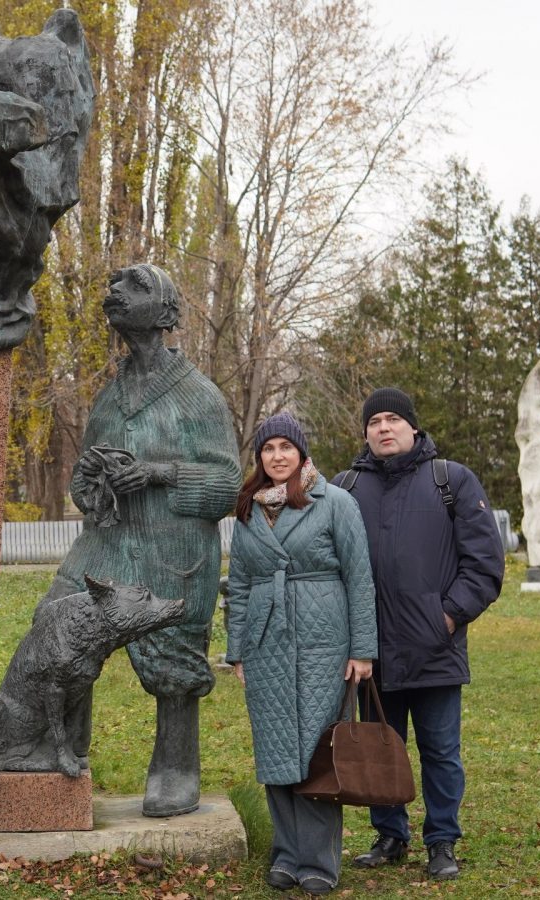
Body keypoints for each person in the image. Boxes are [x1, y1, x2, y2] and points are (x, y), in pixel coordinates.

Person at [46, 263, 242, 817]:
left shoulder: (198, 396)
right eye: (113, 285)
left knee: (173, 664)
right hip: (107, 542)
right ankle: (64, 755)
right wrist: (94, 482)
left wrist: (157, 473)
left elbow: (227, 485)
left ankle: (176, 769)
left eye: (134, 286)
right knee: (57, 622)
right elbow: (84, 478)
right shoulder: (110, 397)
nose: (115, 291)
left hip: (172, 549)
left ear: (166, 313)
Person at [332, 387, 504, 881]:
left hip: (434, 648)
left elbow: (484, 564)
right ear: (365, 433)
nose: (384, 428)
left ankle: (442, 840)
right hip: (372, 651)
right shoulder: (345, 489)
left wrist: (446, 617)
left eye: (392, 419)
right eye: (374, 422)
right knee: (380, 747)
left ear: (412, 426)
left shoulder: (451, 480)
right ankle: (390, 835)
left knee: (441, 753)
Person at [225, 412, 377, 896]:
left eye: (285, 447)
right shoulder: (248, 509)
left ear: (301, 452)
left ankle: (318, 862)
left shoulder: (336, 503)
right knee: (275, 749)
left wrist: (363, 650)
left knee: (316, 751)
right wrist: (237, 651)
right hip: (265, 644)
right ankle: (286, 855)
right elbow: (240, 585)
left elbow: (359, 578)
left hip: (322, 643)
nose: (277, 457)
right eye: (268, 449)